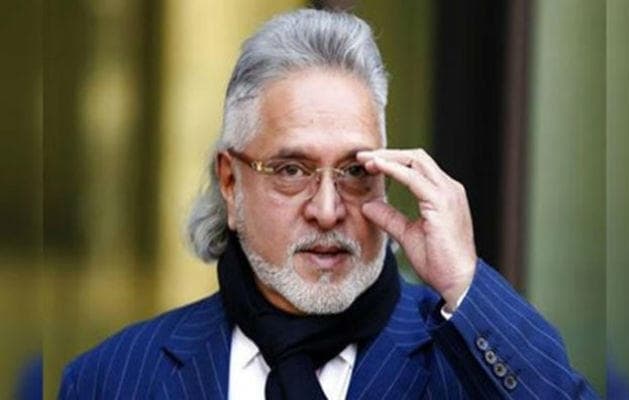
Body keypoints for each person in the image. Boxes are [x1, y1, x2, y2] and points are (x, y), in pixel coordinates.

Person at [59, 9, 598, 399]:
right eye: (291, 170)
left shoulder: (466, 359)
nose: (326, 209)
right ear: (230, 182)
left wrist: (464, 283)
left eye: (355, 171)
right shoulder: (112, 379)